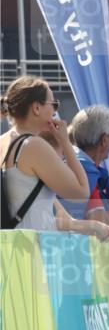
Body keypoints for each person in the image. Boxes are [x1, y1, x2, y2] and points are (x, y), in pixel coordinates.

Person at [1, 76, 92, 231]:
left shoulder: (4, 141)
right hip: (31, 247)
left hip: (9, 246)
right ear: (36, 108)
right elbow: (81, 193)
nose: (55, 111)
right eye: (53, 104)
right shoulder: (33, 146)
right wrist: (65, 142)